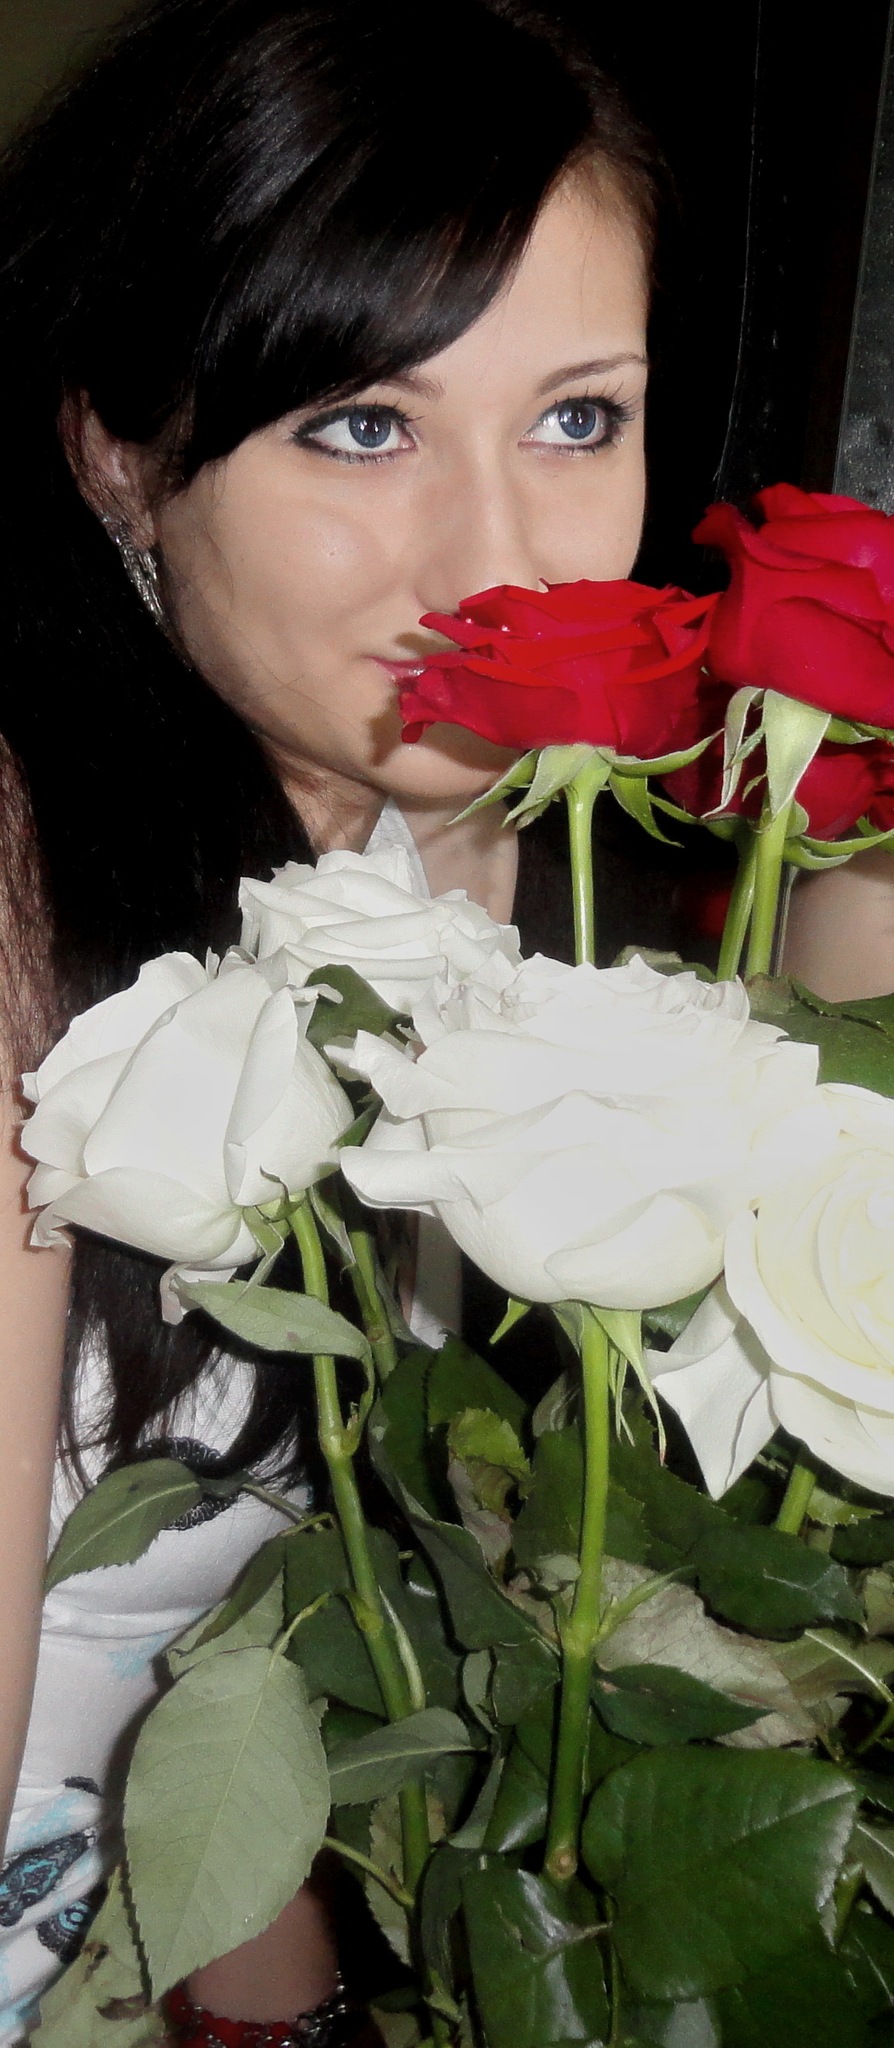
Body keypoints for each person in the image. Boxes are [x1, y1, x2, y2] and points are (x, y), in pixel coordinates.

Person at [0, 0, 661, 2036]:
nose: (501, 560)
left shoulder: (458, 847)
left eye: (579, 420)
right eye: (363, 425)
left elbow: (276, 1597)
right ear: (119, 453)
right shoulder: (20, 895)